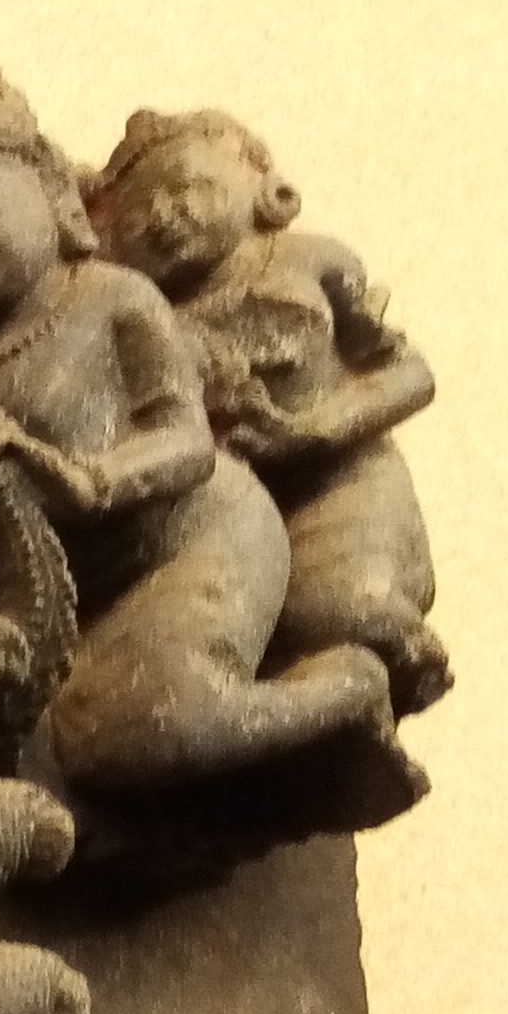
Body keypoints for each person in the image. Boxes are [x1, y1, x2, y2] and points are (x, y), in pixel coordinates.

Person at [0, 29, 412, 819]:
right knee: (81, 742)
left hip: (198, 536)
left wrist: (87, 481)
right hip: (68, 596)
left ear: (54, 205)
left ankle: (343, 692)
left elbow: (185, 442)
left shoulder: (110, 301)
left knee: (137, 729)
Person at [90, 106, 449, 711]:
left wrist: (316, 431)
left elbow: (410, 374)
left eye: (190, 190)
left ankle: (400, 658)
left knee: (346, 614)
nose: (165, 217)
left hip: (344, 486)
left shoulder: (313, 262)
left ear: (267, 192)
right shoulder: (145, 325)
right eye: (138, 214)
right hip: (236, 522)